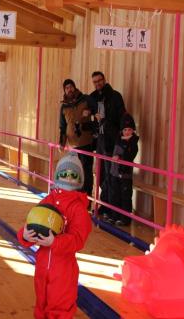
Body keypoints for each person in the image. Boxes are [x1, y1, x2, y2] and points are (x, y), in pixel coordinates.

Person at [17, 153, 92, 319]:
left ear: (79, 180)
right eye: (64, 173)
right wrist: (25, 235)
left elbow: (78, 239)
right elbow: (32, 222)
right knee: (41, 304)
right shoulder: (48, 201)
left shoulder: (78, 208)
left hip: (64, 270)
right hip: (42, 265)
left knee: (60, 309)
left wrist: (55, 241)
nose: (68, 177)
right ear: (57, 175)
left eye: (73, 175)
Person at [89, 71, 125, 214]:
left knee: (112, 175)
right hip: (100, 142)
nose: (98, 83)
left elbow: (122, 117)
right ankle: (104, 205)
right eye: (95, 82)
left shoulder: (115, 96)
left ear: (104, 79)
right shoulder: (92, 97)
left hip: (112, 141)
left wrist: (120, 140)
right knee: (102, 175)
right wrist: (93, 116)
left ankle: (111, 208)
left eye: (99, 80)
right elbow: (87, 114)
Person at [59, 79, 97, 199]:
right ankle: (76, 198)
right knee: (75, 172)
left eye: (71, 87)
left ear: (74, 87)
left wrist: (90, 112)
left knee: (86, 172)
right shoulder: (64, 107)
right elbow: (62, 126)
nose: (69, 89)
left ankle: (87, 200)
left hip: (86, 143)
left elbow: (98, 113)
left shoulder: (85, 99)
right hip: (72, 145)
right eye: (67, 88)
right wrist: (61, 143)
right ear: (65, 91)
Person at [107, 113, 139, 226]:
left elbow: (130, 156)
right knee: (114, 195)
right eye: (125, 129)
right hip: (115, 172)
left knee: (125, 196)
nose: (127, 132)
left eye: (130, 129)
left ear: (133, 130)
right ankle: (114, 216)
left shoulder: (133, 143)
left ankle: (125, 218)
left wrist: (119, 157)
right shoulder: (118, 139)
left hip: (125, 174)